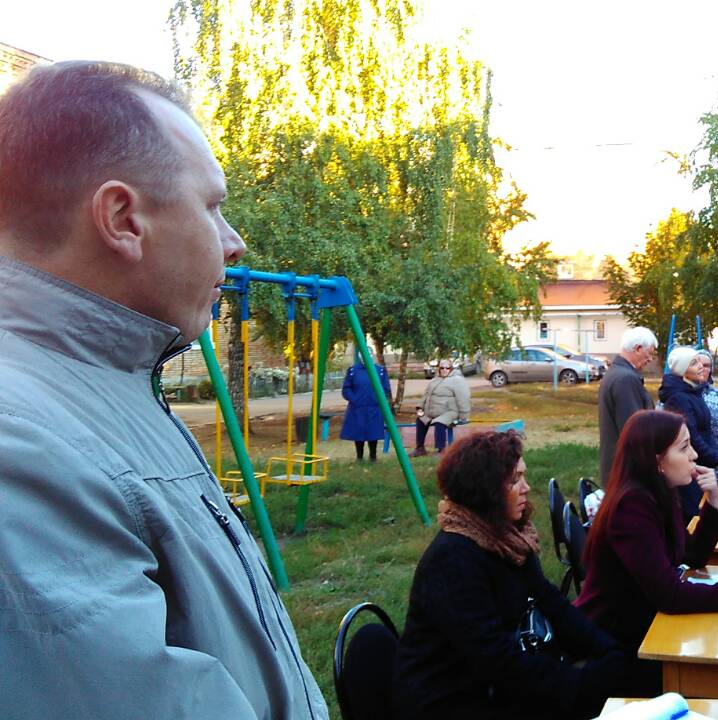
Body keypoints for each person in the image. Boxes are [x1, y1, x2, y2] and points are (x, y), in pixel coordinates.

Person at [0, 62, 326, 717]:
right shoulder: (24, 448)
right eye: (212, 206)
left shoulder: (102, 389)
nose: (234, 243)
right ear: (123, 218)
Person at [392, 431, 627, 719]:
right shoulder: (452, 560)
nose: (526, 488)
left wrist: (607, 649)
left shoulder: (508, 540)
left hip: (498, 687)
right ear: (485, 489)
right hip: (451, 700)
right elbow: (496, 659)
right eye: (514, 480)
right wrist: (579, 684)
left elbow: (552, 603)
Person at [575, 410, 718, 693]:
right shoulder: (631, 507)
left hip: (646, 630)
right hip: (614, 643)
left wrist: (713, 500)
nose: (694, 455)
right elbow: (669, 595)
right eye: (684, 448)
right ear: (656, 460)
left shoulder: (659, 493)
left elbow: (692, 555)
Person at [658, 347, 718, 520]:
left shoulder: (691, 391)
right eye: (694, 363)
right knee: (694, 516)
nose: (701, 366)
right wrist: (714, 458)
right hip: (691, 469)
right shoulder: (679, 398)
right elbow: (691, 435)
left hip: (700, 465)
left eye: (700, 362)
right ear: (683, 370)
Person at [598, 326, 658, 481]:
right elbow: (633, 429)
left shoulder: (617, 373)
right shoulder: (626, 379)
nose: (650, 359)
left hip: (619, 467)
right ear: (638, 349)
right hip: (627, 471)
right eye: (649, 353)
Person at [412, 358, 471, 456]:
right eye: (442, 368)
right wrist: (420, 407)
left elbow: (463, 398)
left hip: (450, 411)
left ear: (451, 369)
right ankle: (420, 448)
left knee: (439, 422)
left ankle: (441, 450)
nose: (444, 370)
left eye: (447, 368)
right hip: (432, 412)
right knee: (420, 419)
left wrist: (464, 416)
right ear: (439, 369)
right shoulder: (435, 380)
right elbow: (426, 395)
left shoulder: (457, 380)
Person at [340, 350, 392, 461]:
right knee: (358, 432)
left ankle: (373, 456)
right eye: (363, 355)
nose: (366, 358)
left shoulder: (380, 371)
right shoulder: (353, 371)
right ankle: (359, 457)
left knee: (373, 432)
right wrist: (355, 399)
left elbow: (386, 389)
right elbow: (346, 389)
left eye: (368, 355)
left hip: (374, 408)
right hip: (357, 408)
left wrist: (376, 399)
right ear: (360, 356)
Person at [694, 348, 718, 483]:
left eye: (706, 365)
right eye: (697, 364)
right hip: (688, 470)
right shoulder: (677, 395)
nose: (702, 368)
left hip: (716, 469)